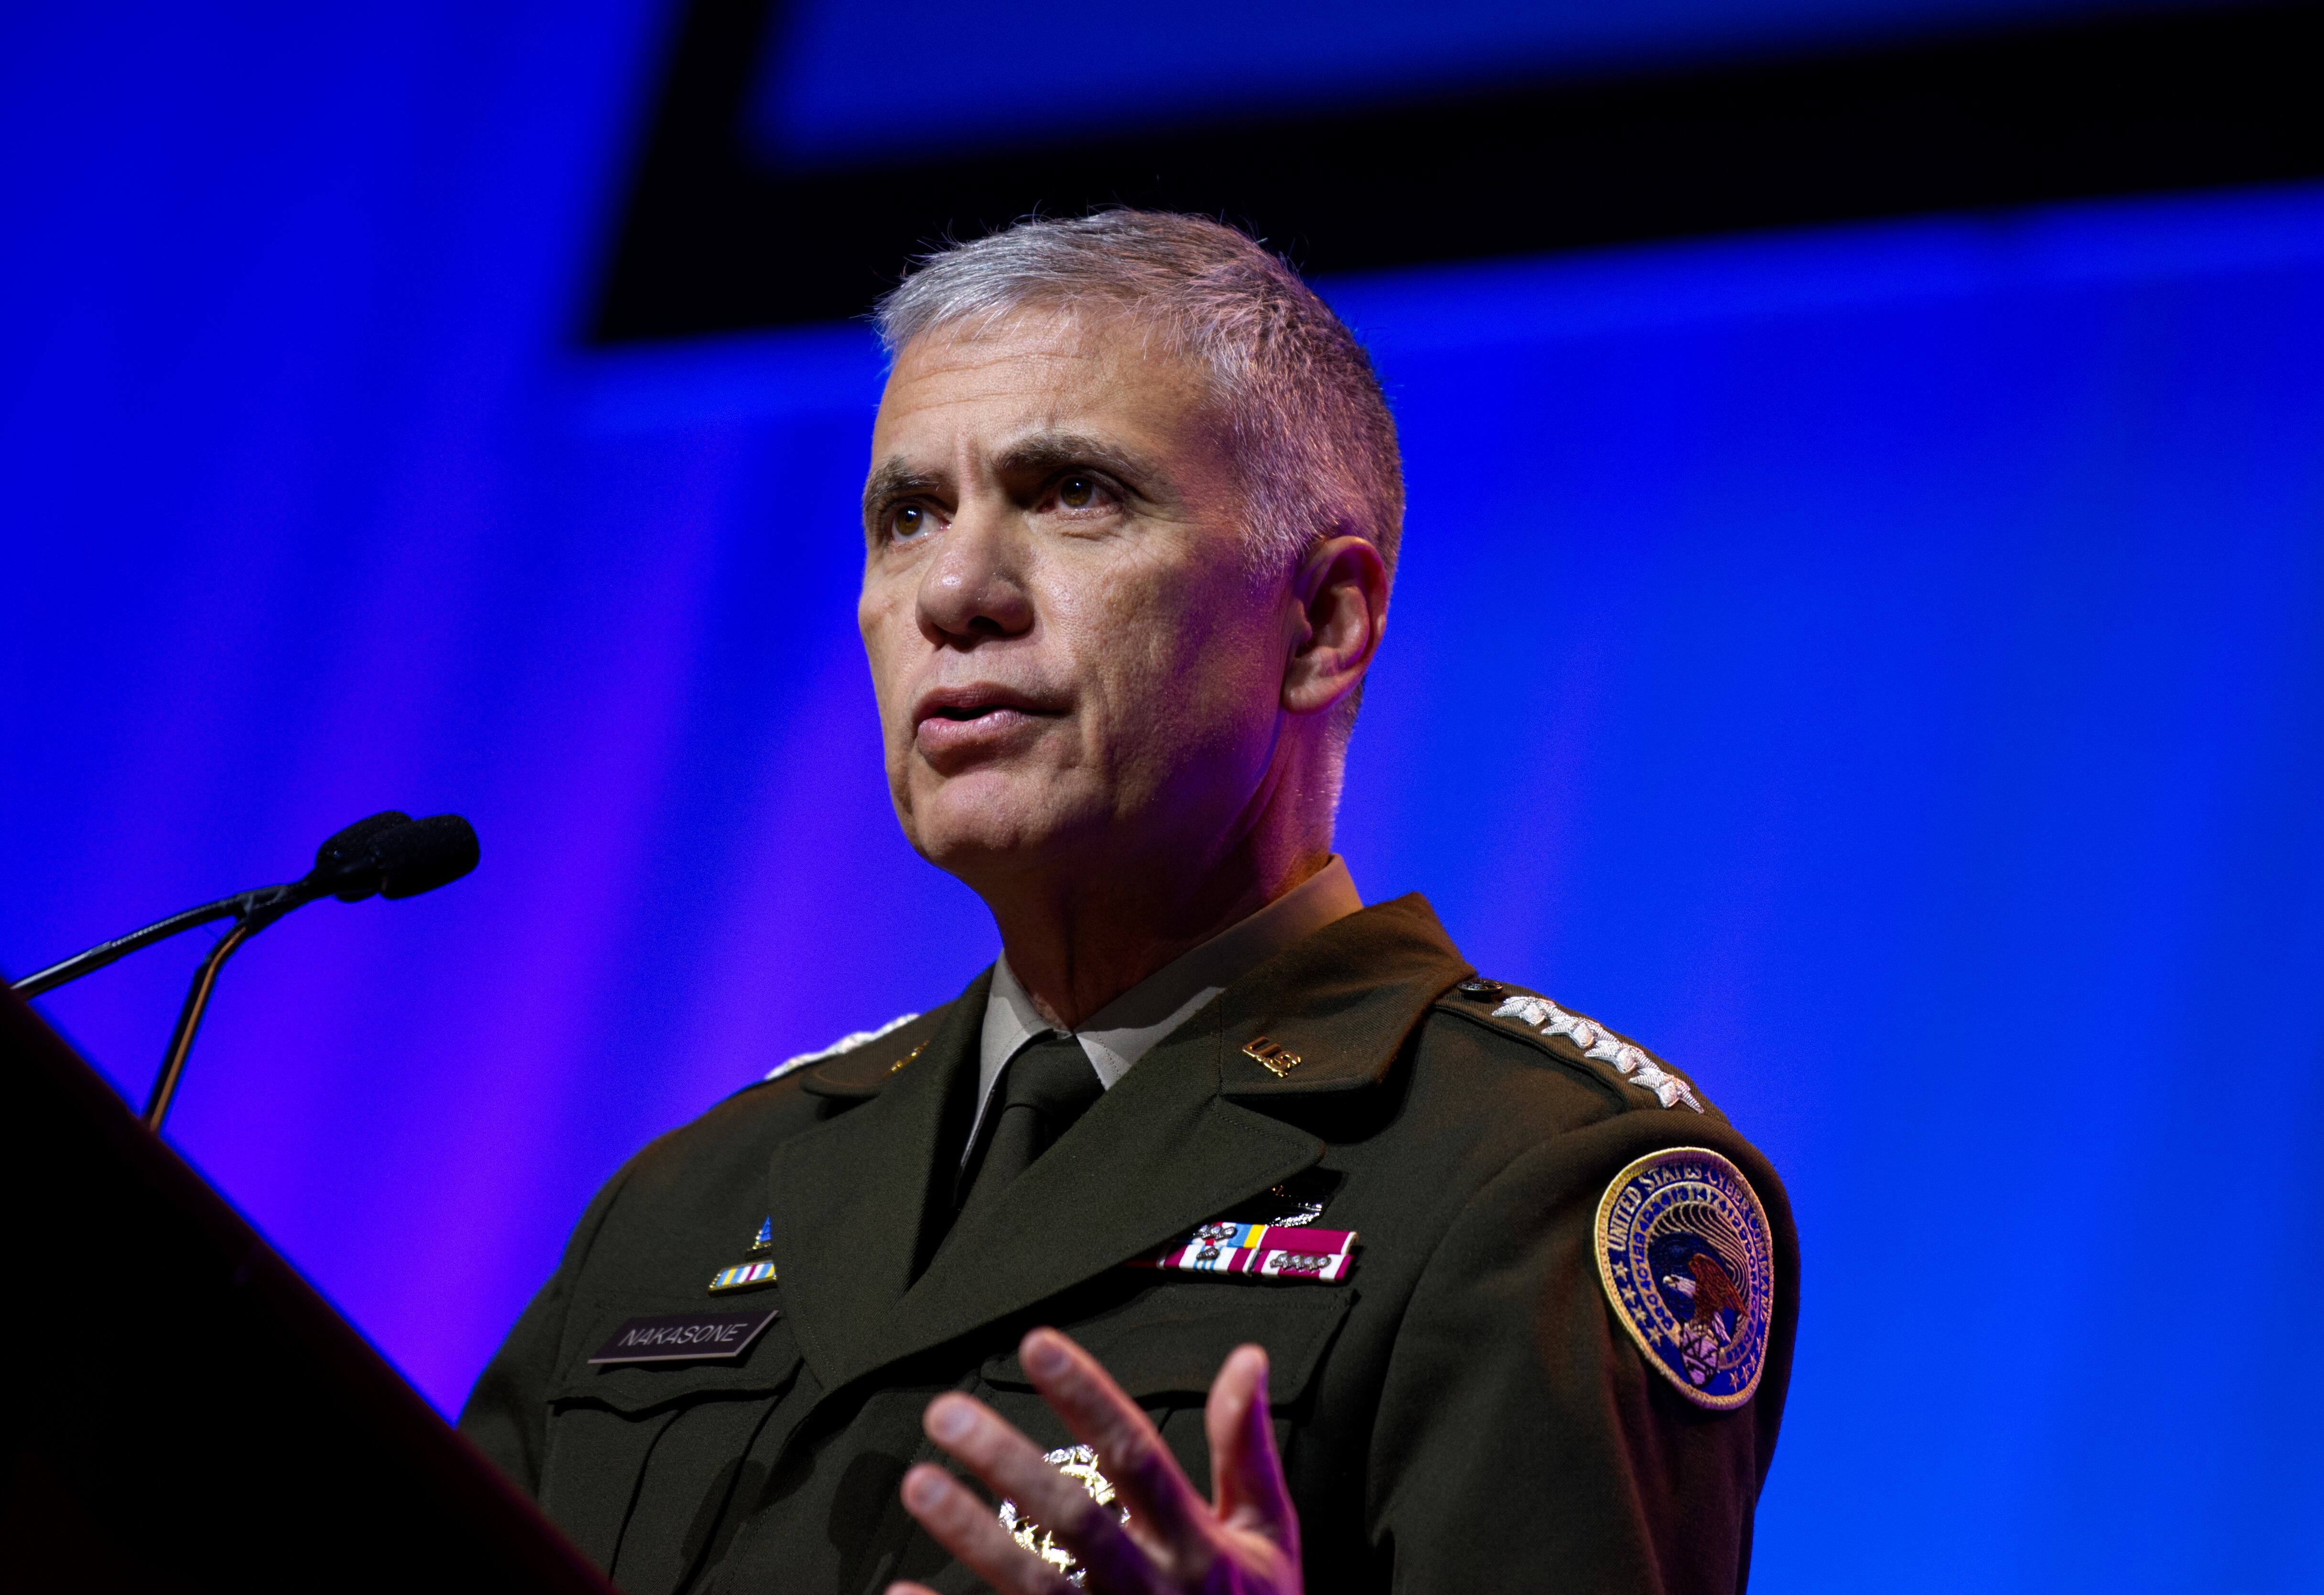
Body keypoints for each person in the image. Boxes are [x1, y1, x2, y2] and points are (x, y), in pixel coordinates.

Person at [461, 211, 1799, 1595]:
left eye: (1073, 493)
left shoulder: (1534, 1179)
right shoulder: (693, 1199)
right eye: (908, 515)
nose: (958, 591)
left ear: (1322, 622)